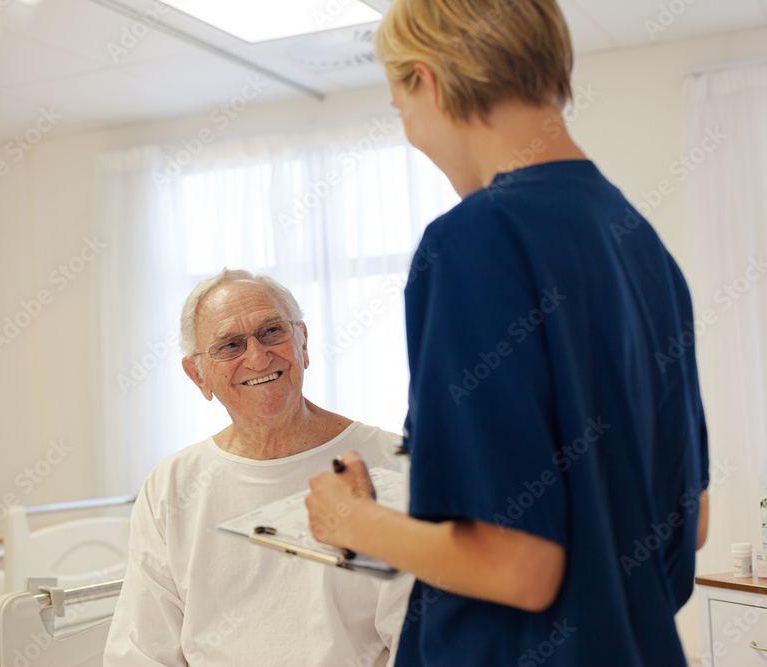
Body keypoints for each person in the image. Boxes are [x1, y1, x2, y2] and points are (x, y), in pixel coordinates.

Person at [304, 1, 710, 665]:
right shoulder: (644, 250)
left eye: (398, 106)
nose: (410, 130)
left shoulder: (473, 242)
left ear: (427, 81)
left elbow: (519, 567)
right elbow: (689, 522)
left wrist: (354, 522)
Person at [104, 268, 413, 666]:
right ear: (198, 375)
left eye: (271, 332)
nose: (257, 356)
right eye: (230, 345)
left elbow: (416, 637)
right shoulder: (172, 485)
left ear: (302, 342)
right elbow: (141, 648)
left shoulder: (389, 461)